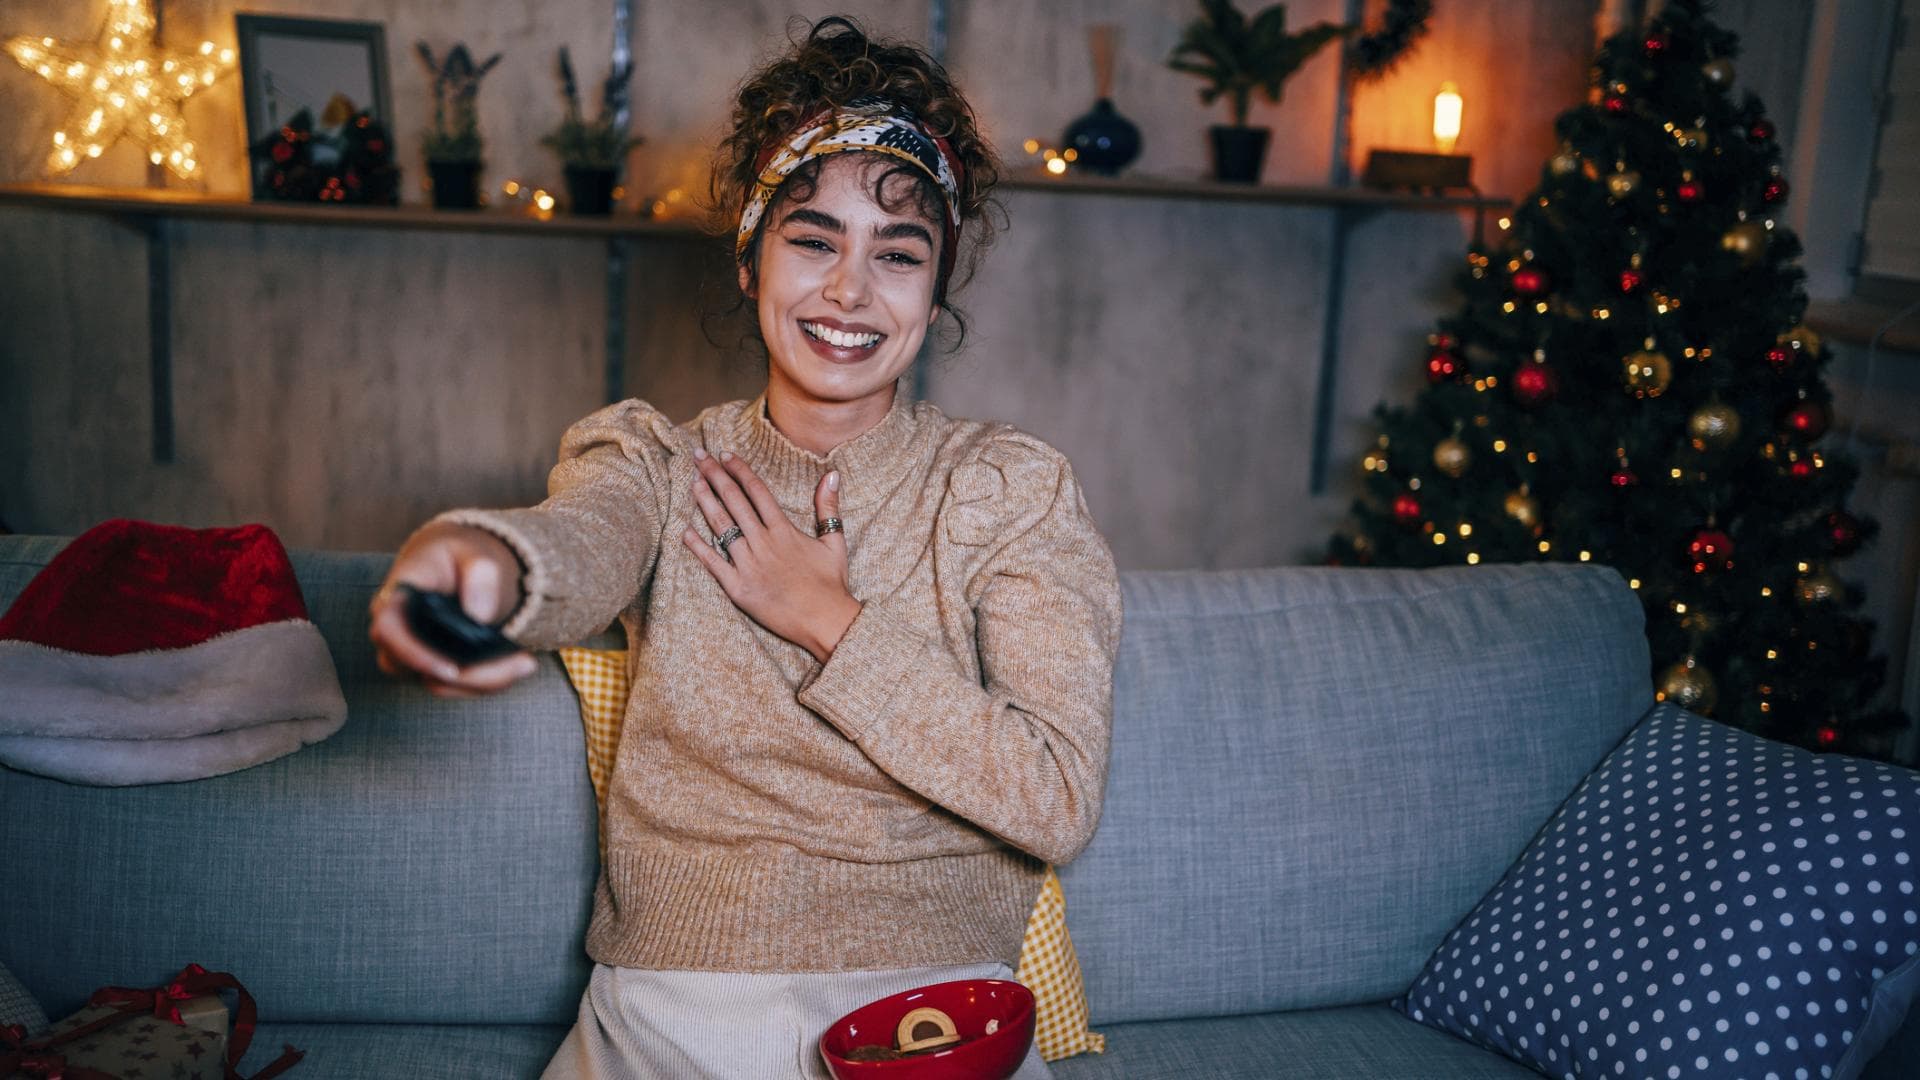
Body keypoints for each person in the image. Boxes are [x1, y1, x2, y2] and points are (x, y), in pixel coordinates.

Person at [368, 16, 1121, 1079]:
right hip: (676, 1009)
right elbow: (576, 540)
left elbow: (1055, 798)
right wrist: (480, 567)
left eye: (898, 254)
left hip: (935, 1013)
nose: (851, 290)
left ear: (933, 289)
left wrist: (828, 620)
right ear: (750, 256)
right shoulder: (659, 463)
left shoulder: (1007, 488)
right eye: (814, 240)